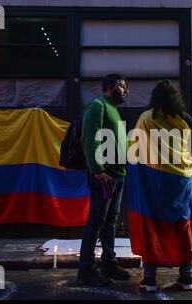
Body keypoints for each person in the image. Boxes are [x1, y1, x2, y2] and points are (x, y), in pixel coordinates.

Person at [126, 80, 192, 292]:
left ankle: (149, 279)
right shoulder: (187, 119)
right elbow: (190, 149)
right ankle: (187, 277)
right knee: (182, 225)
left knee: (152, 225)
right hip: (181, 179)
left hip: (153, 180)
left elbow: (133, 150)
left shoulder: (146, 118)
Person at [77, 74, 130, 286]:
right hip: (104, 176)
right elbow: (90, 137)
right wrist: (97, 170)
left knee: (111, 222)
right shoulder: (98, 105)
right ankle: (86, 270)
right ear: (110, 87)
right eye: (122, 87)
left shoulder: (114, 110)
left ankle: (108, 264)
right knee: (97, 221)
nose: (126, 91)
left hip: (118, 175)